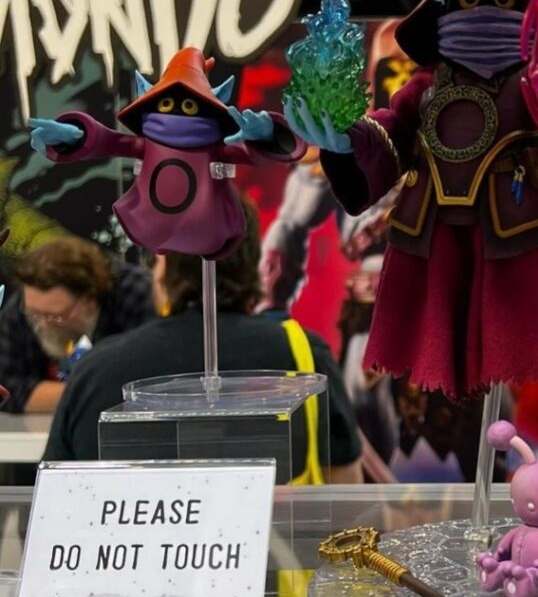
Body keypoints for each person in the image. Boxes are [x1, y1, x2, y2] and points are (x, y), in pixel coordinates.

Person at [44, 200, 363, 483]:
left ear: (164, 268)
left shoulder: (95, 370)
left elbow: (50, 504)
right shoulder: (304, 354)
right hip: (276, 534)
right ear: (253, 264)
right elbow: (348, 494)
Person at [0, 237, 153, 414]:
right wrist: (94, 394)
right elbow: (9, 390)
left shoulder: (136, 294)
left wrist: (54, 395)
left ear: (89, 299)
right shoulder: (27, 305)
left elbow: (149, 385)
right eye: (34, 314)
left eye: (55, 316)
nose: (42, 324)